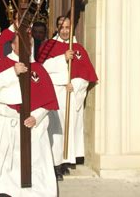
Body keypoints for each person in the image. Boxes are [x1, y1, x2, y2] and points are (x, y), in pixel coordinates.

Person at [0, 35, 59, 197]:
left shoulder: (38, 68)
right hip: (8, 124)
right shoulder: (2, 64)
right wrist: (13, 72)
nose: (26, 47)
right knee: (6, 173)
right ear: (13, 46)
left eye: (29, 44)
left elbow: (47, 101)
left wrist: (36, 116)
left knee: (33, 171)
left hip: (32, 128)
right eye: (21, 43)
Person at [37, 17, 98, 181]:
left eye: (67, 27)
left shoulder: (78, 49)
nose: (64, 30)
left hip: (71, 96)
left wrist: (75, 85)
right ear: (57, 28)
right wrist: (62, 59)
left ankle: (64, 161)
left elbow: (86, 76)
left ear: (72, 29)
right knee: (55, 130)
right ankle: (54, 164)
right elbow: (41, 69)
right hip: (55, 95)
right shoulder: (48, 46)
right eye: (61, 27)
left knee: (69, 129)